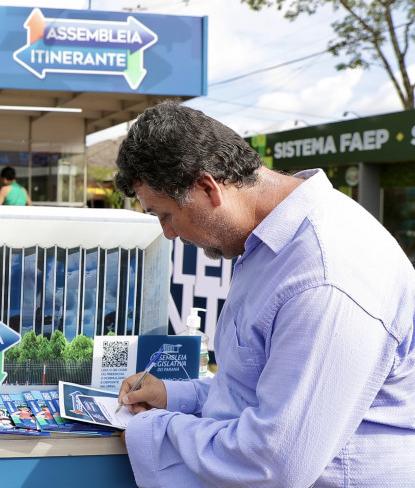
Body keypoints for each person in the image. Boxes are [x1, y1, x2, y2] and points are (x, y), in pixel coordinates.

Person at [114, 101, 415, 487]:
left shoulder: (323, 276)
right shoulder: (271, 244)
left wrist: (152, 431)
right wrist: (177, 396)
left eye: (165, 215)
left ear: (207, 188)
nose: (168, 233)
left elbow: (276, 461)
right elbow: (256, 389)